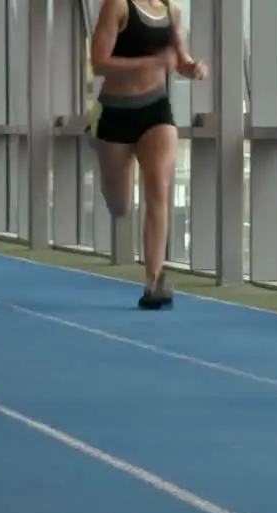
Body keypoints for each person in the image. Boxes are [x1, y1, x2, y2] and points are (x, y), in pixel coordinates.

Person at [89, 0, 206, 310]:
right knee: (119, 203)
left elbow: (178, 59)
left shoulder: (172, 11)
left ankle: (154, 281)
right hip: (115, 112)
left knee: (158, 188)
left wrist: (192, 68)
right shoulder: (117, 6)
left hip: (155, 110)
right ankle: (106, 153)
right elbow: (98, 62)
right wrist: (148, 63)